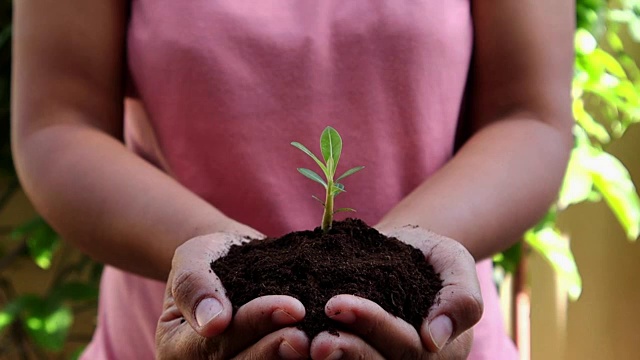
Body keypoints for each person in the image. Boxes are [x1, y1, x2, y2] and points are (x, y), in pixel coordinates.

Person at [11, 1, 574, 359]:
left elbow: (527, 116)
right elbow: (59, 124)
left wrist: (405, 265)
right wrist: (230, 270)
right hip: (184, 337)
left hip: (427, 334)